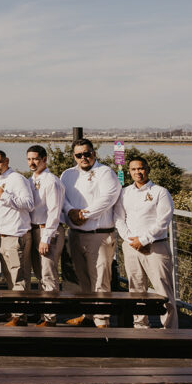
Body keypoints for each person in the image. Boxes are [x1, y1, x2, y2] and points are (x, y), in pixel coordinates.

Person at [61, 138, 121, 327]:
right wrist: (71, 211)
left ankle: (102, 320)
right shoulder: (67, 174)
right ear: (74, 156)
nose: (83, 157)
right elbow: (61, 198)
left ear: (94, 153)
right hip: (76, 234)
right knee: (83, 279)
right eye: (79, 155)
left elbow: (108, 199)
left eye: (87, 153)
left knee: (101, 279)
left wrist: (84, 214)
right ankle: (88, 315)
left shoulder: (105, 172)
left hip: (100, 234)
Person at [114, 157, 178, 329]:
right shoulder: (124, 192)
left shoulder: (160, 192)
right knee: (136, 289)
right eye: (133, 169)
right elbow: (119, 219)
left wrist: (143, 240)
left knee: (163, 290)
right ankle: (140, 326)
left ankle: (170, 329)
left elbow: (163, 220)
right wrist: (130, 240)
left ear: (148, 169)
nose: (137, 172)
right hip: (131, 247)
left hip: (155, 247)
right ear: (129, 172)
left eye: (141, 169)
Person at [0, 149, 36, 326]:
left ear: (6, 161)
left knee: (19, 277)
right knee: (10, 277)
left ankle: (20, 316)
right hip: (4, 235)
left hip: (17, 235)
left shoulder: (17, 179)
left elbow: (29, 204)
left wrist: (5, 196)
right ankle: (15, 311)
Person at [26, 145, 65, 326]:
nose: (32, 163)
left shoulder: (51, 181)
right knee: (40, 275)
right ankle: (42, 312)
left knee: (49, 275)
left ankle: (50, 318)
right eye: (29, 159)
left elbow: (54, 212)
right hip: (33, 229)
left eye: (35, 159)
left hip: (47, 230)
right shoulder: (30, 180)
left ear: (44, 159)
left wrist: (46, 237)